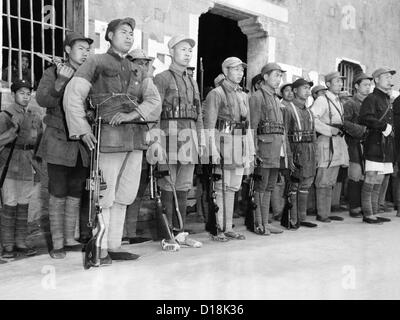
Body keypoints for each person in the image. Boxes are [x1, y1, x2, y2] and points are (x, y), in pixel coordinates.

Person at [63, 18, 161, 264]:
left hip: (135, 139)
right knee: (104, 197)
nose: (129, 36)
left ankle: (115, 245)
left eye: (131, 32)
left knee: (125, 195)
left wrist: (130, 114)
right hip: (107, 138)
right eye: (123, 32)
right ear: (109, 35)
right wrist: (83, 129)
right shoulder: (95, 61)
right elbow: (73, 94)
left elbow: (154, 102)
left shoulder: (138, 70)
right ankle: (100, 248)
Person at [35, 32, 93, 259]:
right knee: (57, 191)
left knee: (76, 190)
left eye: (88, 49)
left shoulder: (89, 75)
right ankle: (57, 243)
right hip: (58, 141)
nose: (85, 53)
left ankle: (70, 238)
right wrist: (60, 81)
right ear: (68, 50)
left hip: (81, 144)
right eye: (80, 48)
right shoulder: (52, 72)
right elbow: (43, 100)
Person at [153, 35, 204, 250]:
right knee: (167, 184)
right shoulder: (162, 78)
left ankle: (180, 232)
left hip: (189, 137)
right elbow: (154, 113)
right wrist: (155, 142)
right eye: (182, 49)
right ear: (171, 51)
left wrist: (201, 140)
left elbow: (198, 113)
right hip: (168, 136)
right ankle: (167, 236)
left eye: (189, 50)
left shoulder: (192, 81)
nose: (187, 53)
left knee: (183, 186)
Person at [203, 57, 253, 241]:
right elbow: (208, 124)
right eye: (235, 69)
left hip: (239, 142)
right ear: (225, 71)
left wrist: (248, 149)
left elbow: (247, 124)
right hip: (222, 142)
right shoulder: (216, 94)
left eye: (241, 70)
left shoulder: (243, 95)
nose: (240, 73)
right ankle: (217, 228)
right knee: (220, 187)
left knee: (232, 188)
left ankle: (228, 226)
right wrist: (212, 150)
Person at [0, 79, 42, 258]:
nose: (25, 97)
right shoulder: (5, 115)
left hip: (27, 164)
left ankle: (21, 242)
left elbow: (38, 140)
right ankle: (8, 246)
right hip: (9, 164)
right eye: (21, 93)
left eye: (28, 93)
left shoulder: (34, 115)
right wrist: (12, 132)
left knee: (24, 204)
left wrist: (38, 166)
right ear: (13, 95)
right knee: (9, 204)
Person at [250, 62, 292, 235]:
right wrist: (253, 151)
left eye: (280, 76)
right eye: (275, 75)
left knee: (269, 187)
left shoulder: (275, 98)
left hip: (276, 149)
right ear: (265, 77)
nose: (278, 79)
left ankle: (265, 222)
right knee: (261, 187)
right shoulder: (257, 97)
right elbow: (252, 126)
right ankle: (259, 223)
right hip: (263, 148)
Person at [123, 48, 155, 243]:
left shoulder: (147, 86)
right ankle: (121, 234)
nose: (142, 66)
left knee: (138, 189)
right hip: (128, 141)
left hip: (144, 141)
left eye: (145, 63)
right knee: (124, 188)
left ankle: (131, 232)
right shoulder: (128, 85)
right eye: (138, 62)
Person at [310, 71, 349, 223]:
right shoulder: (321, 99)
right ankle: (322, 213)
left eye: (341, 81)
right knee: (323, 179)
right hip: (326, 142)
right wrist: (329, 130)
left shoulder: (338, 101)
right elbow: (312, 119)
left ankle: (326, 211)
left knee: (331, 180)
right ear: (328, 84)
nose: (340, 84)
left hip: (337, 142)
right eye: (337, 81)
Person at [359, 67, 395, 224]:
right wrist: (384, 127)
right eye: (386, 77)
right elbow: (365, 118)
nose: (389, 79)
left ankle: (374, 210)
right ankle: (368, 214)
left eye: (390, 77)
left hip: (386, 146)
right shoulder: (371, 98)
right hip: (374, 143)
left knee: (379, 179)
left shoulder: (387, 99)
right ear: (377, 80)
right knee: (371, 177)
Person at [284, 78, 318, 228]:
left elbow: (313, 135)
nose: (307, 90)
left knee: (306, 185)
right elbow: (284, 134)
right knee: (294, 186)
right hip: (296, 151)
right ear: (295, 90)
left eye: (308, 88)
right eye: (303, 88)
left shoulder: (309, 111)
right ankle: (292, 219)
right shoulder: (288, 109)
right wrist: (289, 155)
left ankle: (302, 218)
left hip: (309, 151)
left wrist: (316, 154)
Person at [343, 72, 372, 218]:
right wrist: (362, 130)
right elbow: (345, 123)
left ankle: (363, 205)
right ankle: (354, 207)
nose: (368, 88)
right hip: (353, 143)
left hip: (368, 144)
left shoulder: (370, 103)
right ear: (356, 86)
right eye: (365, 85)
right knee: (355, 175)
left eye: (369, 85)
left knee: (365, 175)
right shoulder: (350, 103)